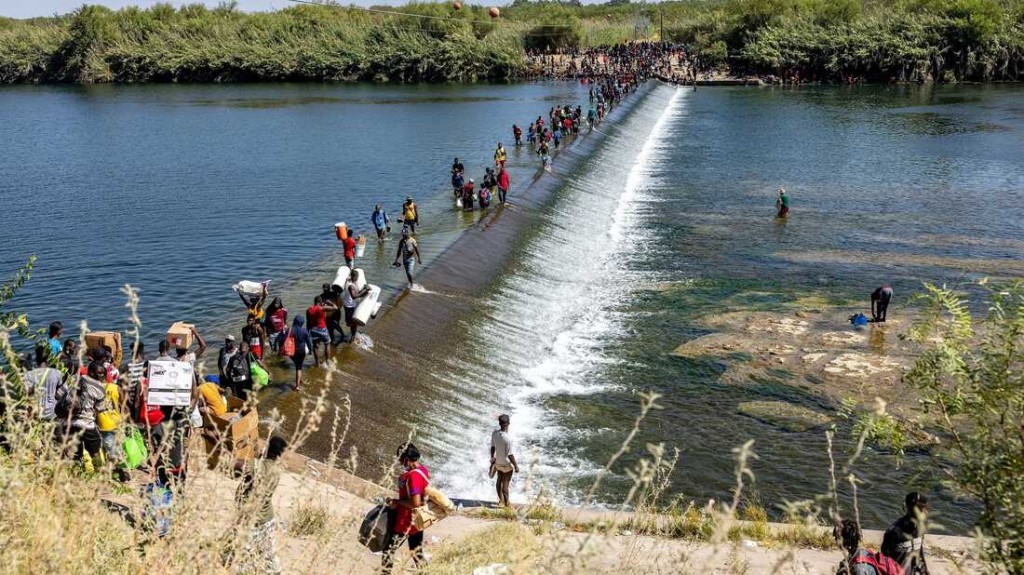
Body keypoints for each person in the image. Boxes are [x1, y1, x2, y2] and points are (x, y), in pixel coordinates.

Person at [233, 435, 287, 575]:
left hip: (251, 519)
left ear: (268, 448)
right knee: (269, 552)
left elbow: (236, 464)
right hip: (267, 517)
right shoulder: (276, 468)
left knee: (243, 554)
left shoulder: (258, 466)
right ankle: (275, 571)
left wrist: (239, 447)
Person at [382, 443, 429, 574]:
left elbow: (415, 502)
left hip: (406, 522)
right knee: (417, 553)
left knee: (388, 551)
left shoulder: (413, 476)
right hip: (417, 521)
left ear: (406, 459)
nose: (400, 463)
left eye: (400, 460)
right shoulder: (423, 471)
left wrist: (397, 502)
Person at [71, 360, 107, 473]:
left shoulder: (77, 380)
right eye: (99, 373)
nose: (102, 375)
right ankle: (99, 473)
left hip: (72, 422)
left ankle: (79, 473)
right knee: (95, 451)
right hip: (87, 424)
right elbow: (100, 408)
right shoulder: (100, 388)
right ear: (91, 372)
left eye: (103, 373)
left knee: (77, 451)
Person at [881, 492, 930, 575]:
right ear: (910, 509)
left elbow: (919, 549)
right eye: (922, 509)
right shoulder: (894, 533)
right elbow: (884, 561)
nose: (926, 513)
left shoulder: (920, 528)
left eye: (926, 508)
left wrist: (926, 569)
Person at [834, 519, 902, 575]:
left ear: (845, 541)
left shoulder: (859, 569)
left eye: (837, 538)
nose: (835, 540)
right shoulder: (862, 552)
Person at [22, 344, 64, 421]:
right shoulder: (56, 373)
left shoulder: (28, 375)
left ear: (36, 358)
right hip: (53, 413)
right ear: (48, 358)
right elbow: (61, 394)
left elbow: (27, 396)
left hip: (36, 414)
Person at [490, 414, 519, 507]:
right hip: (506, 465)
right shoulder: (508, 438)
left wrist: (492, 458)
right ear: (508, 424)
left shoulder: (494, 434)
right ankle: (507, 505)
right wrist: (516, 466)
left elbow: (492, 447)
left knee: (499, 480)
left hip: (498, 463)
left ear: (499, 423)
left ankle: (501, 500)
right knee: (505, 485)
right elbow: (510, 455)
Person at [306, 296, 337, 365]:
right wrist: (330, 302)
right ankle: (328, 361)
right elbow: (335, 307)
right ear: (321, 302)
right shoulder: (322, 308)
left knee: (316, 346)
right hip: (322, 328)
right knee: (327, 343)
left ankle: (317, 363)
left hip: (313, 329)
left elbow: (308, 322)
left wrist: (308, 332)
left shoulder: (309, 309)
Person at [342, 269, 370, 342]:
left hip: (351, 304)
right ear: (354, 277)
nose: (357, 278)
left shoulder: (351, 282)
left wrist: (364, 290)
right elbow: (354, 296)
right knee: (352, 323)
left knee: (352, 322)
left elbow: (357, 294)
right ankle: (353, 337)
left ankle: (352, 337)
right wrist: (364, 291)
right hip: (349, 306)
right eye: (357, 276)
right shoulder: (351, 286)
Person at [286, 316, 312, 391]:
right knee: (299, 367)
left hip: (292, 351)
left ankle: (300, 380)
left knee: (297, 365)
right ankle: (297, 385)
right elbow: (308, 342)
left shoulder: (290, 330)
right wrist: (310, 350)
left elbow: (284, 338)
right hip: (301, 351)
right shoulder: (304, 331)